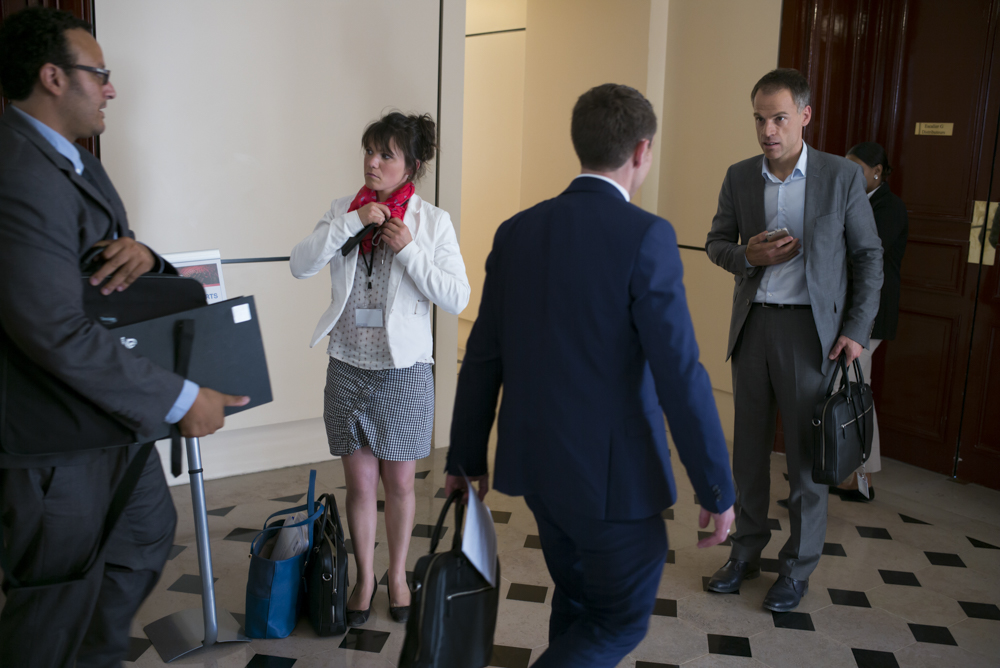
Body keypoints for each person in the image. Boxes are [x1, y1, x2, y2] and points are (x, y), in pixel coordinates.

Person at [445, 83, 736, 668]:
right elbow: (680, 372)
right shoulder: (646, 236)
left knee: (578, 600)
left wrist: (466, 458)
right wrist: (717, 487)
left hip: (536, 466)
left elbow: (482, 356)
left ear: (579, 143)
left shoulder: (517, 230)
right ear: (642, 151)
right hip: (613, 481)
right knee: (617, 621)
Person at [0, 8, 248, 667]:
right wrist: (179, 398)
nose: (110, 87)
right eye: (99, 73)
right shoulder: (17, 172)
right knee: (54, 598)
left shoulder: (78, 165)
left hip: (110, 421)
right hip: (55, 437)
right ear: (53, 77)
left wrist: (143, 255)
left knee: (142, 537)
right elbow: (51, 326)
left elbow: (100, 274)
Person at [704, 68, 883, 612]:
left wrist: (855, 330)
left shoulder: (839, 177)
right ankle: (745, 553)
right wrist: (746, 256)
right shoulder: (739, 176)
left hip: (814, 336)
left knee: (807, 460)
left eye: (779, 117)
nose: (768, 130)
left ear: (804, 115)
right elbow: (716, 243)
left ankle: (797, 569)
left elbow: (868, 257)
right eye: (759, 119)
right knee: (749, 455)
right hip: (754, 327)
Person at [290, 112, 469, 625]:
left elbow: (457, 297)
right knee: (360, 485)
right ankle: (365, 577)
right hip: (347, 366)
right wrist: (353, 222)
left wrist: (408, 248)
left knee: (402, 485)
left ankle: (397, 575)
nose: (371, 162)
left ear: (411, 165)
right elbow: (300, 264)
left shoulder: (432, 222)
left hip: (404, 372)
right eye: (369, 151)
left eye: (385, 154)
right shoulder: (342, 211)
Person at [837, 141, 909, 500]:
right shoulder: (856, 201)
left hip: (872, 313)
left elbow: (863, 253)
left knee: (853, 391)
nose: (850, 175)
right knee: (851, 391)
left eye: (857, 170)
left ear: (877, 171)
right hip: (852, 312)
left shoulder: (890, 207)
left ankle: (860, 478)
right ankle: (855, 475)